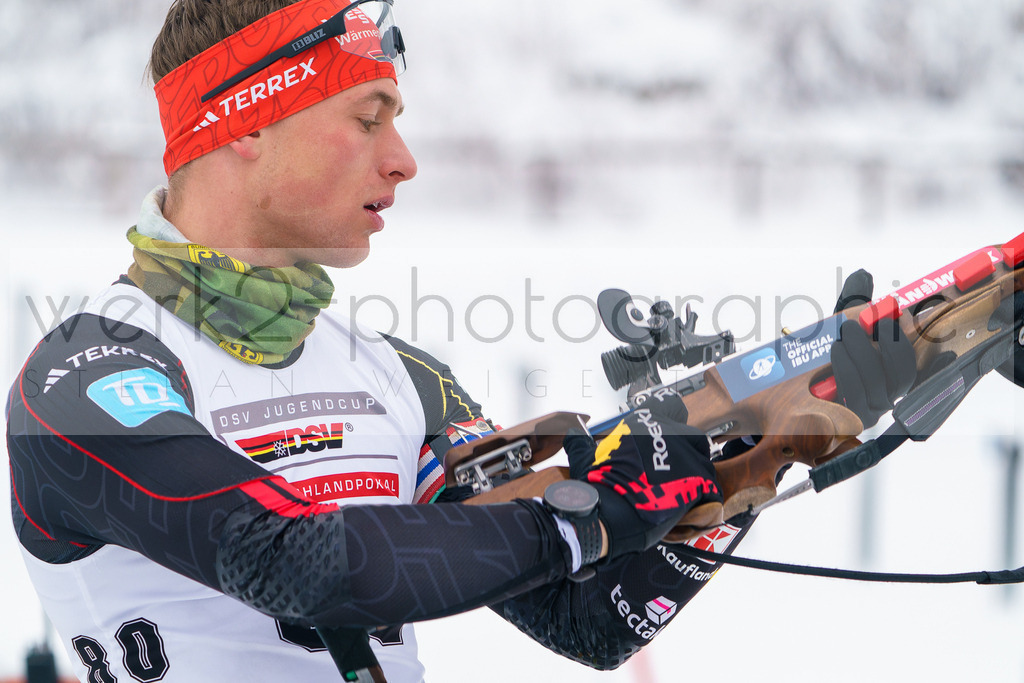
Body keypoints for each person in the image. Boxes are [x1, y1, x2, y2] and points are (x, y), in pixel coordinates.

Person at [5, 1, 909, 681]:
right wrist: (568, 522)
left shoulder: (400, 376)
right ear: (243, 120)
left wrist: (756, 450)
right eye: (369, 117)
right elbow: (302, 563)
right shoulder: (86, 375)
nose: (403, 159)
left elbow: (590, 618)